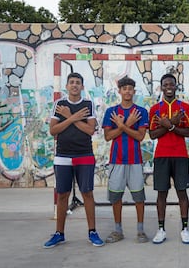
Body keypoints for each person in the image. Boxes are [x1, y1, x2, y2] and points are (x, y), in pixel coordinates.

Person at [43, 72, 104, 248]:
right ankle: (59, 233)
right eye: (72, 82)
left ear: (82, 86)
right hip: (62, 155)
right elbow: (53, 131)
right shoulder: (59, 104)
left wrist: (71, 117)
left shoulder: (88, 104)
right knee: (62, 194)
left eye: (78, 82)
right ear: (67, 86)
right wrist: (73, 117)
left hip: (84, 154)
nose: (75, 85)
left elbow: (90, 130)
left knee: (87, 193)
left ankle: (92, 232)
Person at [102, 76, 149, 244]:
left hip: (135, 161)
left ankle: (140, 230)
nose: (127, 91)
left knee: (139, 197)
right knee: (116, 197)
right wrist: (127, 125)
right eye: (124, 88)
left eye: (130, 88)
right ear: (120, 91)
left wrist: (121, 126)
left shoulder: (141, 112)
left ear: (134, 91)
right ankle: (118, 230)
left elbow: (140, 136)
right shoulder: (111, 112)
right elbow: (108, 137)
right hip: (116, 161)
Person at [149, 74, 189, 244]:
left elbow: (188, 132)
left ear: (176, 87)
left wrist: (170, 125)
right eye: (165, 84)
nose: (168, 87)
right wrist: (168, 125)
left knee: (182, 192)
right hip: (161, 155)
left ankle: (185, 228)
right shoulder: (154, 109)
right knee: (162, 193)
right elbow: (153, 135)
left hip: (180, 155)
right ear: (161, 87)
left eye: (171, 84)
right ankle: (161, 229)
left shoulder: (184, 108)